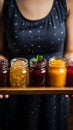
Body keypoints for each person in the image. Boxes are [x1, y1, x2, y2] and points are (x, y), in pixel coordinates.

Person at [0, 0, 73, 130]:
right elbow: (0, 53)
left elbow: (70, 52)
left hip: (55, 92)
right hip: (16, 92)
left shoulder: (67, 2)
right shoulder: (3, 3)